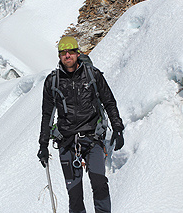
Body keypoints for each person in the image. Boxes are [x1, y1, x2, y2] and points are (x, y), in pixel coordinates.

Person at [37, 36, 124, 213]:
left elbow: (109, 101)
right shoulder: (52, 81)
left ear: (77, 53)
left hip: (93, 139)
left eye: (70, 51)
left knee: (100, 184)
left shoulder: (93, 75)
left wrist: (118, 128)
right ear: (59, 55)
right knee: (74, 194)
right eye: (63, 52)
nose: (67, 55)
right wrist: (43, 145)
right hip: (67, 143)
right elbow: (47, 115)